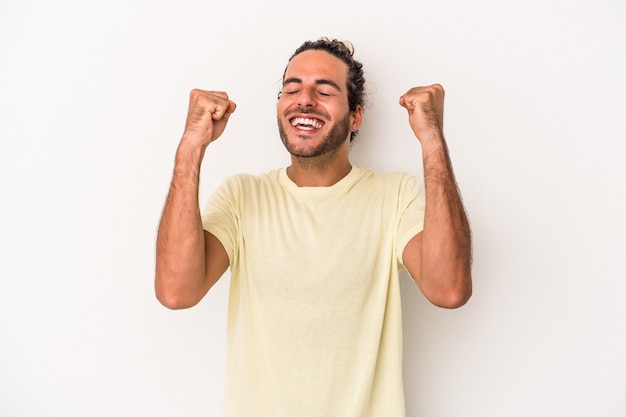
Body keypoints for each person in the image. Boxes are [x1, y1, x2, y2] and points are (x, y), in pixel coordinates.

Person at [155, 37, 472, 417]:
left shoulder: (393, 196)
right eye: (292, 88)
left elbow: (449, 288)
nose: (304, 100)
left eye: (324, 90)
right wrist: (191, 145)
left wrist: (432, 139)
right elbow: (176, 291)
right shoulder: (243, 196)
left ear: (355, 116)